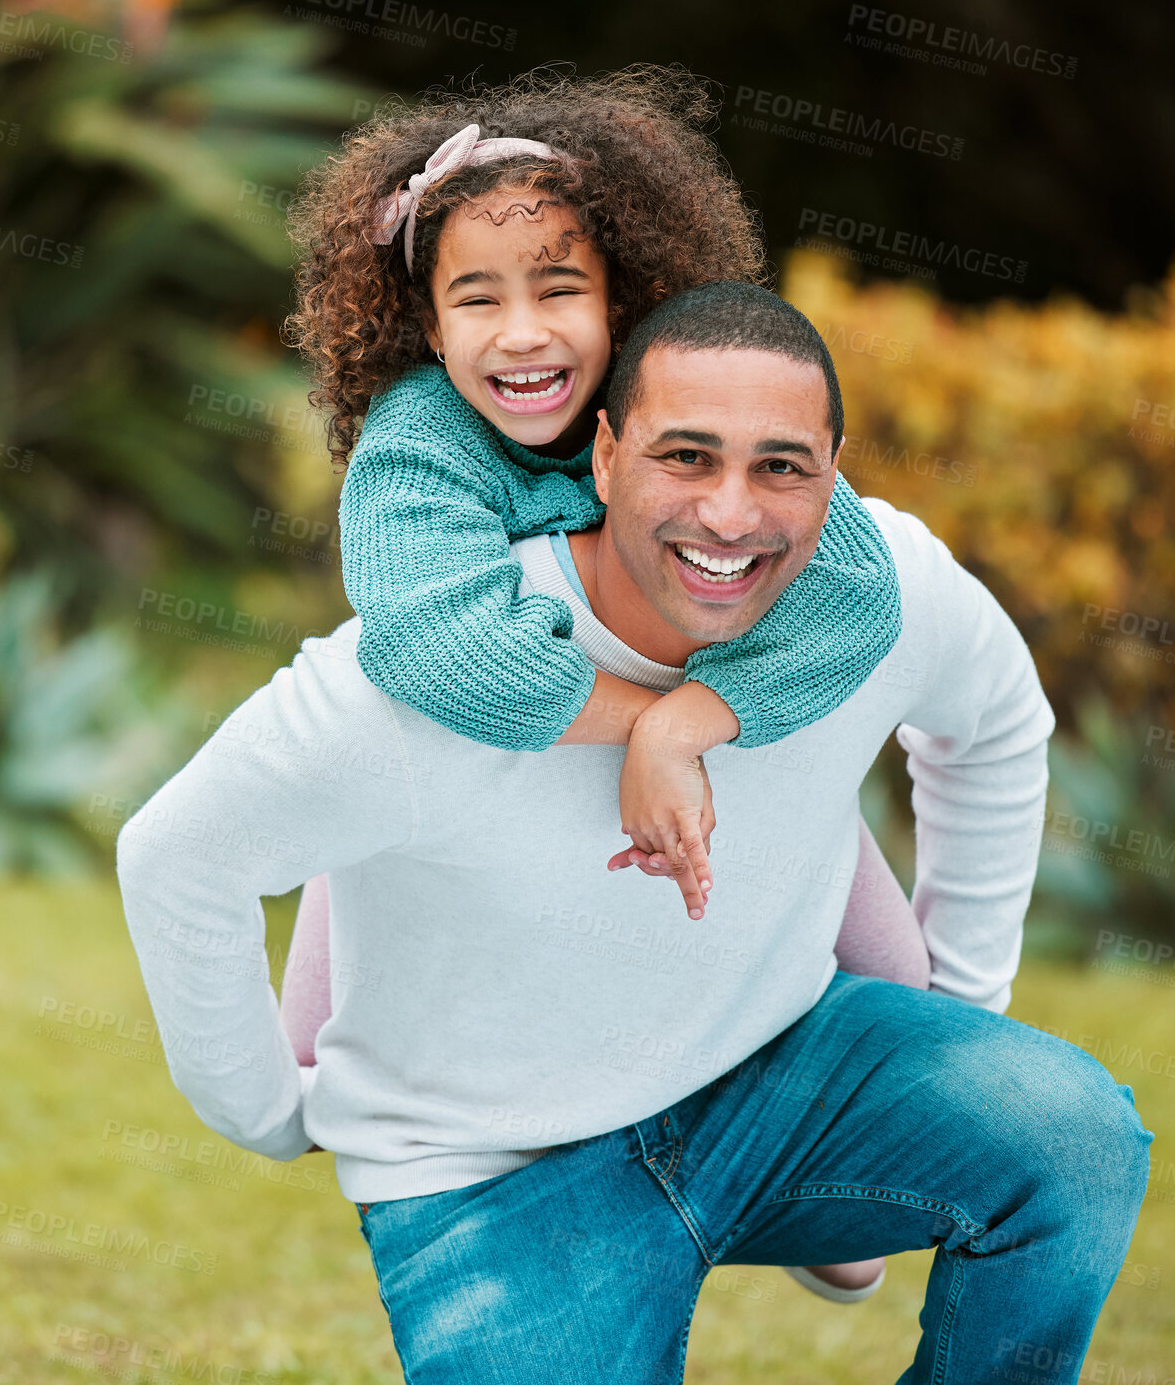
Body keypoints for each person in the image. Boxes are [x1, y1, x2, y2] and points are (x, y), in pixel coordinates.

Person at [116, 282, 1153, 1385]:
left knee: (1068, 1135)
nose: (730, 514)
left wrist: (956, 1021)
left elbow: (996, 725)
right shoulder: (436, 671)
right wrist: (269, 1114)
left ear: (833, 471)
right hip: (495, 1174)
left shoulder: (876, 591)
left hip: (777, 1080)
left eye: (780, 466)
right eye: (686, 457)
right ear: (603, 455)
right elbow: (179, 856)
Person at [279, 66, 929, 1299]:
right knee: (310, 1048)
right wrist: (646, 730)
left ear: (625, 297)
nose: (522, 333)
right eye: (478, 297)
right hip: (453, 760)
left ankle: (843, 1176)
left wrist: (692, 723)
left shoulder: (672, 405)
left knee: (914, 1020)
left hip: (739, 742)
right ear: (424, 322)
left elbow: (857, 590)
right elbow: (440, 649)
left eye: (559, 288)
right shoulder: (420, 443)